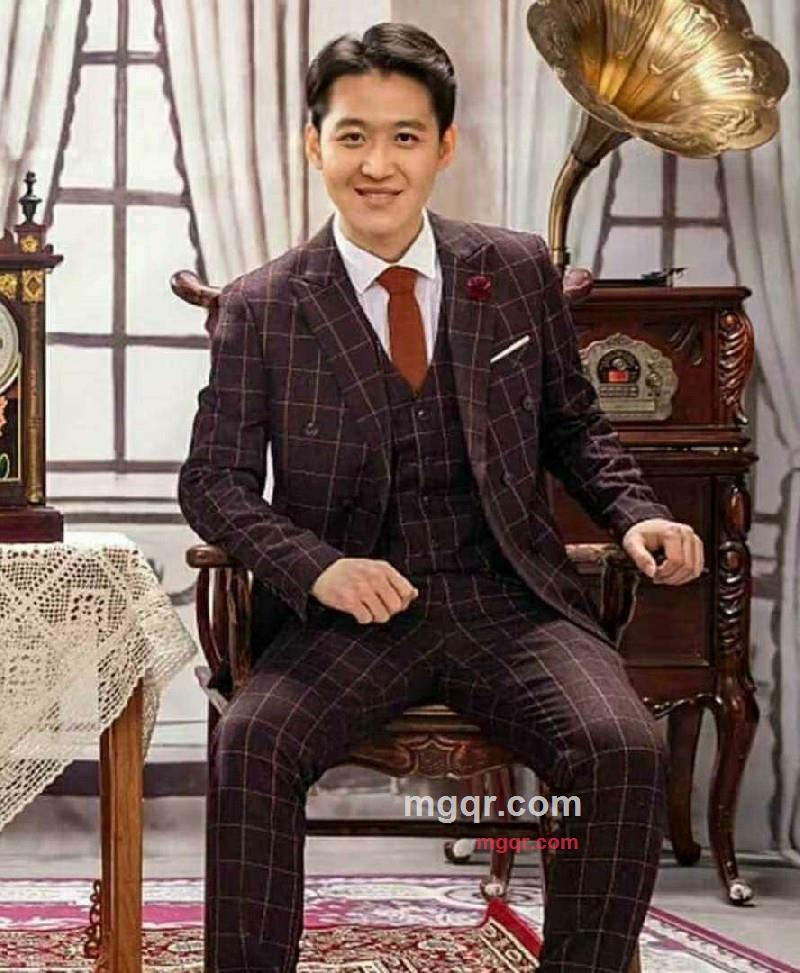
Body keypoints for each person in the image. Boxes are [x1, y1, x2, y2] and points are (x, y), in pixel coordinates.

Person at [178, 21, 704, 973]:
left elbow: (575, 428)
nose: (377, 165)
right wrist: (319, 569)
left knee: (623, 746)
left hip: (511, 602)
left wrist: (640, 515)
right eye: (352, 136)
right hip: (344, 619)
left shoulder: (515, 270)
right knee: (250, 747)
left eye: (405, 137)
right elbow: (211, 481)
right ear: (313, 144)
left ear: (444, 146)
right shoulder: (262, 304)